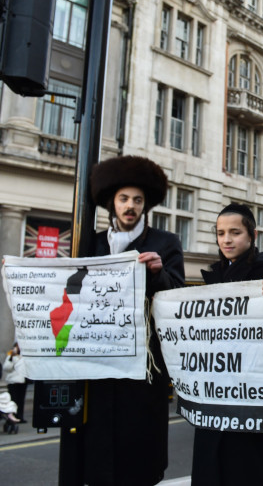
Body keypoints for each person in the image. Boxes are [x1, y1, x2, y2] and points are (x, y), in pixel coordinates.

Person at [83, 155, 185, 486]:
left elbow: (177, 295)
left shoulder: (165, 243)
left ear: (146, 204)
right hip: (98, 368)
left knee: (141, 460)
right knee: (99, 459)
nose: (131, 206)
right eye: (124, 199)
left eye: (137, 200)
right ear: (112, 201)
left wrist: (158, 274)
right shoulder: (91, 243)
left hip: (145, 372)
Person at [191, 203, 263, 486]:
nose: (226, 240)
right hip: (214, 390)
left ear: (251, 235)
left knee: (245, 468)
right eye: (220, 233)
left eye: (234, 232)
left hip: (249, 392)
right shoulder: (214, 275)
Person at [3, 342, 27, 422]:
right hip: (13, 381)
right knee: (14, 400)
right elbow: (6, 368)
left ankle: (20, 416)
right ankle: (12, 416)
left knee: (20, 400)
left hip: (21, 381)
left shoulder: (23, 357)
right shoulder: (11, 356)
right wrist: (12, 358)